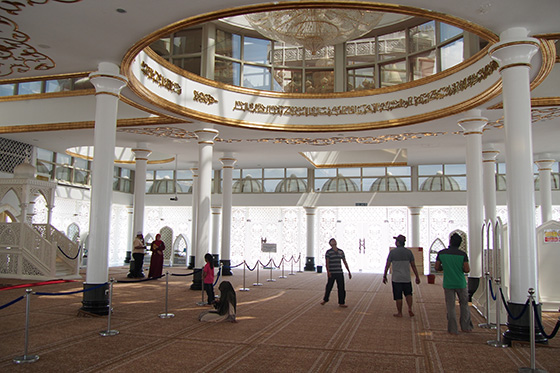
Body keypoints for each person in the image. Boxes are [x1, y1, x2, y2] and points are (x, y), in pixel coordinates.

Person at [435, 233, 474, 334]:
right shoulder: (462, 254)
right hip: (461, 283)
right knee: (464, 305)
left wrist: (445, 268)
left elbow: (437, 267)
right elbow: (466, 269)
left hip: (448, 283)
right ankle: (465, 327)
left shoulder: (442, 253)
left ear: (450, 242)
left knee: (450, 306)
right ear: (460, 243)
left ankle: (453, 329)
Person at [382, 234, 421, 317]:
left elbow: (387, 265)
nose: (395, 242)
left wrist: (384, 275)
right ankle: (410, 308)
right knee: (408, 294)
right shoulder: (409, 252)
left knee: (398, 296)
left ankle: (400, 312)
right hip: (406, 278)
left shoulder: (392, 252)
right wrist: (417, 276)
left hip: (396, 279)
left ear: (399, 243)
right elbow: (413, 265)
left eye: (396, 241)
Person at [320, 238, 352, 307]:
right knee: (329, 287)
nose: (334, 241)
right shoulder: (328, 252)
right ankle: (325, 299)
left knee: (341, 287)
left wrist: (349, 271)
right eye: (332, 241)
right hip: (332, 272)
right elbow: (327, 263)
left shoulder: (341, 251)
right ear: (330, 244)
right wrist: (328, 272)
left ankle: (341, 302)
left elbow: (344, 261)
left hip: (339, 272)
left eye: (334, 241)